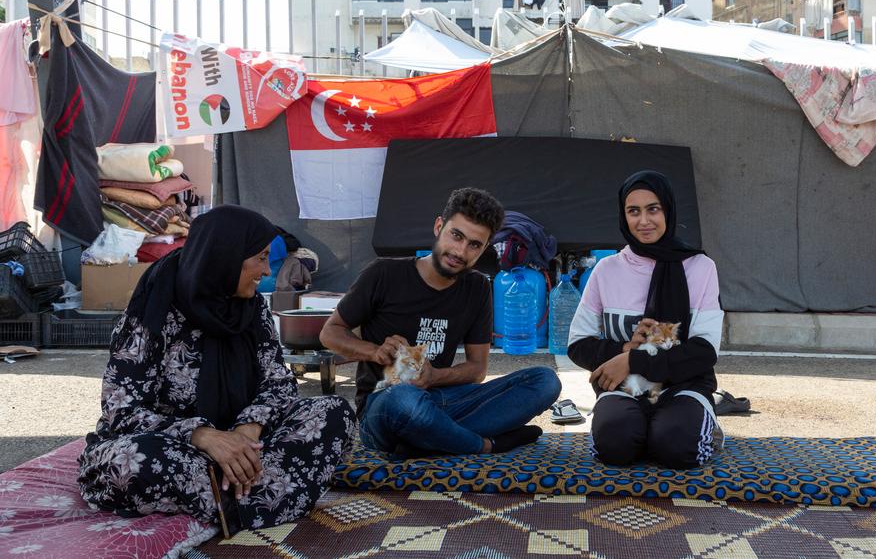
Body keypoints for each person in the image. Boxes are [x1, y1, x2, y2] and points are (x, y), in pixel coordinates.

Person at [78, 206, 356, 533]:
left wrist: (245, 431)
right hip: (179, 448)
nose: (266, 271)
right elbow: (121, 411)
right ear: (225, 257)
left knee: (333, 412)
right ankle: (263, 499)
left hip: (246, 445)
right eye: (260, 258)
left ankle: (232, 499)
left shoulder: (251, 309)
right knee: (134, 459)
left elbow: (279, 385)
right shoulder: (151, 313)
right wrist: (205, 437)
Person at [321, 187, 561, 458]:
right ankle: (483, 444)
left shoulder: (477, 287)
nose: (460, 251)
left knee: (544, 381)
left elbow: (477, 369)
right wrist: (374, 352)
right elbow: (330, 333)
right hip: (385, 403)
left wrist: (435, 376)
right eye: (456, 236)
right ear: (438, 226)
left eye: (474, 244)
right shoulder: (384, 273)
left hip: (443, 399)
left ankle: (424, 442)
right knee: (405, 401)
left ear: (484, 248)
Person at [567, 170, 724, 467]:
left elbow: (704, 353)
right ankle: (646, 430)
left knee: (678, 445)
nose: (644, 221)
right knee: (615, 443)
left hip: (683, 386)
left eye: (653, 209)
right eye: (633, 211)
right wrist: (623, 352)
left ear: (668, 209)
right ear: (623, 216)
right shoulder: (606, 270)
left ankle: (692, 424)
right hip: (626, 387)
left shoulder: (700, 268)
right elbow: (578, 344)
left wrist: (635, 359)